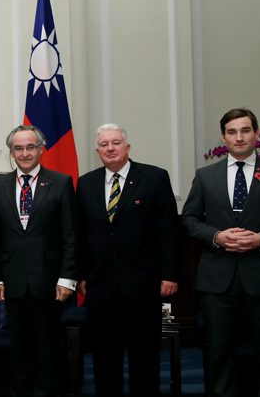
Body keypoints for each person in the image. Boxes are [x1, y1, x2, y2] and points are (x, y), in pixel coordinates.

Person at [181, 108, 260, 396]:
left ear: (257, 133)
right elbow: (188, 221)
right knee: (218, 354)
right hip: (217, 281)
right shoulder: (205, 176)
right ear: (223, 137)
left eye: (245, 130)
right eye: (232, 132)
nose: (239, 137)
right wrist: (217, 236)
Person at [76, 123, 180, 397]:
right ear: (97, 151)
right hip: (100, 287)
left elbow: (168, 230)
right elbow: (81, 233)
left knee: (143, 357)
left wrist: (169, 274)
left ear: (127, 147)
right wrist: (83, 275)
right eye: (104, 144)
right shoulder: (86, 183)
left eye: (116, 143)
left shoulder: (154, 177)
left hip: (143, 286)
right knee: (104, 357)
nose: (110, 148)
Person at [0, 125, 78, 397]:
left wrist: (67, 278)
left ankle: (46, 391)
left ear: (41, 149)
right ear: (11, 152)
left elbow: (70, 235)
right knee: (19, 347)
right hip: (12, 282)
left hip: (50, 282)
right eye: (18, 148)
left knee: (47, 345)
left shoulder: (61, 182)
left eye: (30, 147)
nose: (24, 153)